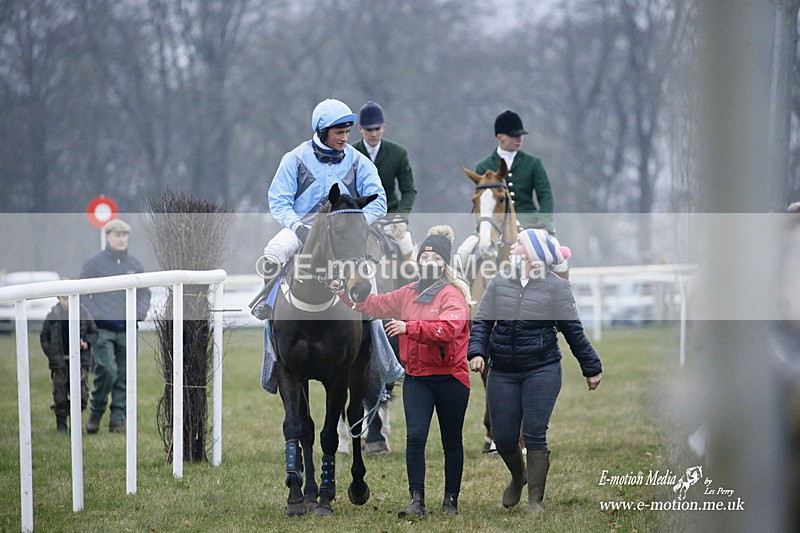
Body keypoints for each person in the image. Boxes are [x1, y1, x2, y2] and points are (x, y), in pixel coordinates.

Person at [337, 225, 471, 517]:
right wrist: (346, 297)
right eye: (425, 256)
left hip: (451, 378)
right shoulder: (407, 293)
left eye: (435, 257)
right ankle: (417, 501)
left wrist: (409, 328)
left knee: (452, 440)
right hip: (418, 379)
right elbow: (375, 304)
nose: (428, 261)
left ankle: (451, 501)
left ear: (444, 264)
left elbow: (448, 329)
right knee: (415, 437)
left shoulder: (453, 295)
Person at [467, 228, 602, 514]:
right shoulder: (500, 279)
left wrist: (591, 367)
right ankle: (519, 476)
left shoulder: (557, 287)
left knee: (535, 433)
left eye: (519, 242)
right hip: (501, 369)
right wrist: (477, 351)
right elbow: (481, 320)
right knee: (503, 439)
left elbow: (572, 329)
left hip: (542, 368)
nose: (513, 245)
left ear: (532, 252)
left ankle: (535, 501)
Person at [258, 98, 387, 312]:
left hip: (344, 231)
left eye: (347, 132)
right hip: (302, 227)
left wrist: (355, 224)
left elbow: (379, 200)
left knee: (366, 271)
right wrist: (297, 227)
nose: (345, 138)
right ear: (322, 131)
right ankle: (268, 306)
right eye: (339, 133)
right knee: (274, 252)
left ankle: (372, 326)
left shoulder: (358, 161)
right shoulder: (295, 159)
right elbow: (279, 201)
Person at [352, 100, 417, 454]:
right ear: (361, 130)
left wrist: (400, 216)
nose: (373, 134)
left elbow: (408, 190)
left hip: (390, 218)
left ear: (383, 129)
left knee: (409, 245)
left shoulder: (397, 153)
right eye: (368, 129)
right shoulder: (353, 152)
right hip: (359, 218)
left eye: (377, 129)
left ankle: (413, 286)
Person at [79, 218, 151, 434]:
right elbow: (82, 293)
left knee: (125, 375)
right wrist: (97, 314)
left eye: (124, 235)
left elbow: (144, 293)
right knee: (107, 370)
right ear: (108, 237)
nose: (121, 239)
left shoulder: (135, 265)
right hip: (102, 329)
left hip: (128, 329)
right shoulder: (94, 263)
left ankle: (118, 420)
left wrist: (139, 314)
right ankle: (97, 411)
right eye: (117, 235)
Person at [475, 110, 554, 234]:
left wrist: (545, 222)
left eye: (521, 135)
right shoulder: (483, 167)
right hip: (496, 224)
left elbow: (545, 195)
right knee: (466, 249)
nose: (519, 139)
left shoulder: (533, 163)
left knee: (553, 249)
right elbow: (484, 203)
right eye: (514, 136)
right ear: (500, 137)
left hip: (530, 223)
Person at [39, 295, 98, 433]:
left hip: (80, 361)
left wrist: (86, 343)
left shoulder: (83, 313)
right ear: (59, 299)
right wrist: (52, 353)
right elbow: (44, 337)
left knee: (82, 395)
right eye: (64, 299)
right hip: (59, 362)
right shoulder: (53, 315)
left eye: (69, 298)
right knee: (60, 393)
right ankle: (61, 425)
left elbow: (94, 332)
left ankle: (75, 421)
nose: (67, 302)